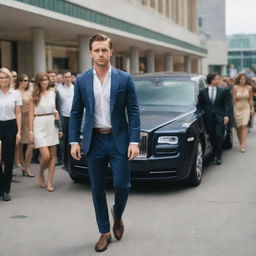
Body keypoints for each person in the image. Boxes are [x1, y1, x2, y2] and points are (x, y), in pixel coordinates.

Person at [69, 34, 140, 252]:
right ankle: (104, 232)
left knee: (122, 185)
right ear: (90, 53)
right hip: (94, 140)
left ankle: (117, 213)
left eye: (104, 50)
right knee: (97, 189)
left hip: (118, 139)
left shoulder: (124, 79)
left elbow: (134, 111)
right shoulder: (82, 80)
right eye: (96, 50)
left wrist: (134, 141)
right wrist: (73, 141)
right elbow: (75, 112)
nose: (100, 54)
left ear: (111, 52)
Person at [29, 72, 60, 192]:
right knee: (45, 155)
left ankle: (50, 182)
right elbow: (31, 114)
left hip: (51, 123)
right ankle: (41, 172)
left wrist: (59, 128)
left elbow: (56, 111)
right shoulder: (34, 96)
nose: (44, 82)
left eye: (46, 80)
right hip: (39, 124)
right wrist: (31, 131)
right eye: (42, 80)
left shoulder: (53, 94)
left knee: (52, 155)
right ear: (38, 82)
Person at [197, 72, 231, 165]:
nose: (218, 80)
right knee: (212, 137)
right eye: (216, 79)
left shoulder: (223, 91)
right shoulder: (203, 92)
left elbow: (227, 105)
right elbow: (200, 105)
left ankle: (218, 156)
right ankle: (214, 152)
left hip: (220, 118)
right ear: (211, 80)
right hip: (208, 118)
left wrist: (226, 115)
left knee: (219, 136)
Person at [0, 68, 22, 201]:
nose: (3, 80)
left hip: (10, 126)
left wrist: (19, 131)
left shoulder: (15, 93)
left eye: (5, 77)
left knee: (8, 160)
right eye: (0, 78)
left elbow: (18, 113)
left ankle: (6, 190)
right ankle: (0, 187)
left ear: (9, 79)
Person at [15, 74, 35, 177]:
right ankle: (21, 164)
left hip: (30, 119)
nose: (26, 82)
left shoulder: (30, 91)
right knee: (19, 144)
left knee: (31, 144)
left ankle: (26, 167)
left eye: (27, 80)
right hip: (19, 120)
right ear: (19, 81)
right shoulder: (16, 92)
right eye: (24, 80)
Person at [56, 70, 74, 170]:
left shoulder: (75, 88)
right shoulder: (58, 89)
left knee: (73, 140)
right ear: (62, 78)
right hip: (63, 117)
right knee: (65, 141)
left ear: (71, 77)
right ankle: (66, 163)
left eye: (69, 77)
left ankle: (72, 162)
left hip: (74, 117)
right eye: (65, 77)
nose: (67, 79)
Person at [232, 73, 253, 152]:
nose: (242, 80)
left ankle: (242, 145)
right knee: (238, 127)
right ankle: (240, 141)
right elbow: (233, 100)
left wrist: (251, 109)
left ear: (246, 80)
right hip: (237, 108)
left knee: (244, 125)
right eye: (241, 79)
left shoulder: (249, 88)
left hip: (246, 108)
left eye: (244, 79)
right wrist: (236, 99)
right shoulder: (235, 88)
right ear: (239, 80)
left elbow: (250, 99)